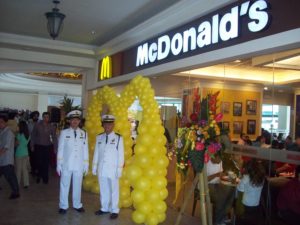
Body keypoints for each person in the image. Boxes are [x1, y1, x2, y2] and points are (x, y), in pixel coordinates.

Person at [56, 110, 89, 214]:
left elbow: (85, 149)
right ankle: (63, 206)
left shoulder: (83, 133)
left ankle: (77, 204)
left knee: (77, 185)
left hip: (79, 164)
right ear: (69, 121)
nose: (75, 121)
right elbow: (60, 149)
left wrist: (86, 164)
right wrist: (58, 164)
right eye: (73, 119)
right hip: (66, 164)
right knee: (64, 185)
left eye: (77, 119)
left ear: (79, 121)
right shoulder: (64, 133)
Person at [92, 114, 124, 219]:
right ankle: (104, 208)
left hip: (113, 169)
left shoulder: (118, 138)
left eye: (109, 124)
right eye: (105, 124)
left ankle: (114, 210)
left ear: (113, 125)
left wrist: (119, 169)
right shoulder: (99, 137)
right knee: (103, 188)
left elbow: (121, 155)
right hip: (102, 168)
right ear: (103, 125)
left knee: (114, 189)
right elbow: (96, 153)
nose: (107, 126)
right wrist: (94, 166)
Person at [207, 152, 235, 225]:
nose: (220, 161)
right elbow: (204, 180)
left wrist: (226, 174)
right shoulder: (206, 163)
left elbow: (221, 173)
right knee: (222, 196)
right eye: (219, 159)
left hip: (218, 183)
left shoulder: (220, 162)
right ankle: (217, 221)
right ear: (213, 157)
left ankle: (222, 216)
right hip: (208, 185)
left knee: (232, 191)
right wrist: (217, 175)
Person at [236, 159, 266, 225]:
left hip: (246, 204)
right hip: (256, 205)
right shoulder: (262, 179)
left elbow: (240, 189)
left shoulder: (246, 178)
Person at [31, 112, 57, 184]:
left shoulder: (51, 126)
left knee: (46, 162)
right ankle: (39, 175)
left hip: (47, 146)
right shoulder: (37, 125)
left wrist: (55, 148)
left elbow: (54, 137)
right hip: (38, 146)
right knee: (39, 162)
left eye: (47, 117)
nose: (46, 118)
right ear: (42, 117)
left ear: (49, 118)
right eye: (44, 117)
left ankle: (45, 177)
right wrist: (32, 145)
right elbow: (33, 135)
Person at [0, 114, 20, 199]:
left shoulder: (8, 133)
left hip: (6, 160)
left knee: (10, 177)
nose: (0, 124)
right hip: (2, 159)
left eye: (1, 122)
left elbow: (6, 147)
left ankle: (16, 193)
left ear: (6, 122)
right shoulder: (2, 131)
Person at [15, 121, 30, 188]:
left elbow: (17, 144)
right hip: (25, 153)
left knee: (18, 169)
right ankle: (26, 183)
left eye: (18, 126)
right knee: (25, 169)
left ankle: (17, 183)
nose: (17, 127)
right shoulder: (28, 134)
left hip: (19, 153)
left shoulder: (19, 134)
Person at [27, 111, 39, 175]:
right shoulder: (30, 124)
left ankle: (37, 169)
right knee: (32, 157)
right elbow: (32, 132)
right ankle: (33, 169)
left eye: (37, 116)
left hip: (38, 143)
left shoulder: (39, 123)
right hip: (31, 142)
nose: (36, 117)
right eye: (35, 116)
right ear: (32, 116)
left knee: (37, 157)